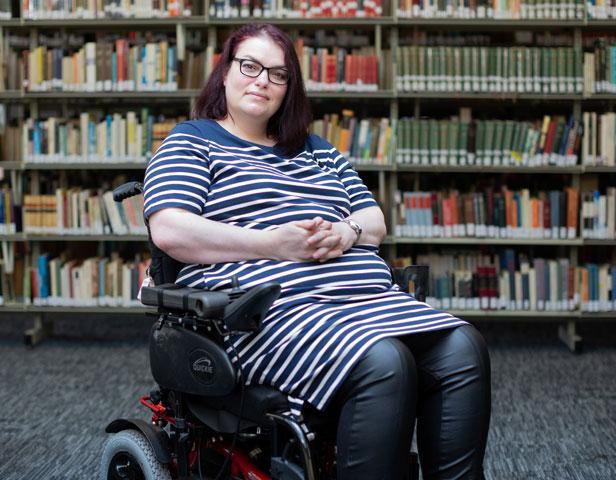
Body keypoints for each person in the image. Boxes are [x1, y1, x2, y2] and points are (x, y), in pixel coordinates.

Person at [143, 23, 491, 480]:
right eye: (250, 66)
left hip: (367, 302)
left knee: (464, 348)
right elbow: (170, 229)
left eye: (278, 74)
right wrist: (275, 244)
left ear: (289, 88)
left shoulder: (318, 151)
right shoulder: (192, 141)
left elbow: (374, 223)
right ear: (225, 73)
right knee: (384, 362)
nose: (262, 80)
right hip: (268, 314)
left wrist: (347, 232)